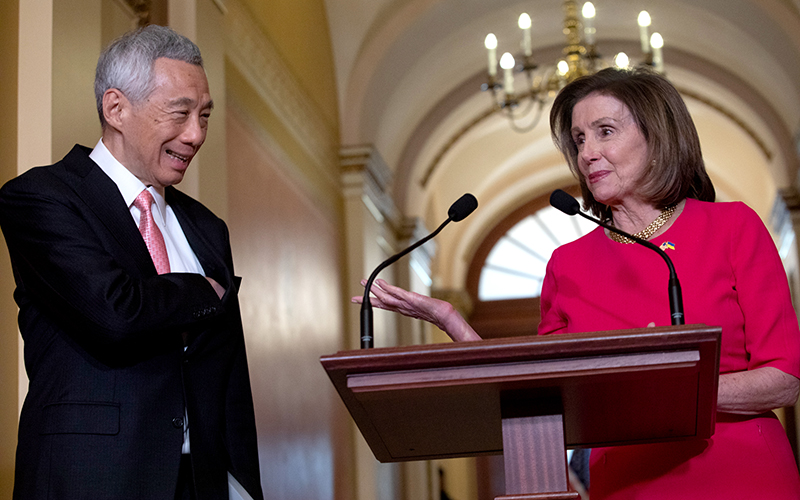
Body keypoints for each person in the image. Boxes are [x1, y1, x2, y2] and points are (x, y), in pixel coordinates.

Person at [355, 67, 800, 498]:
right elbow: (539, 392)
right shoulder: (567, 264)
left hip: (743, 474)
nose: (587, 153)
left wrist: (676, 389)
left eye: (605, 131)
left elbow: (785, 377)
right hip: (626, 484)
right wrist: (453, 322)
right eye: (579, 139)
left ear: (658, 137)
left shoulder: (732, 227)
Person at [0, 26, 263, 500]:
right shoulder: (43, 198)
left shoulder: (206, 227)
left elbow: (227, 380)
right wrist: (202, 291)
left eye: (204, 116)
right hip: (91, 479)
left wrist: (242, 483)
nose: (196, 134)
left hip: (200, 483)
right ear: (116, 108)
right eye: (180, 114)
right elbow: (114, 313)